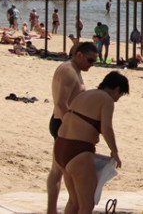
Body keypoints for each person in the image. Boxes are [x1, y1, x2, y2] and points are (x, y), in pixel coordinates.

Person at [54, 71, 128, 214]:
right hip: (78, 150)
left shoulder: (83, 95)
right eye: (120, 95)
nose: (117, 99)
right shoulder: (106, 99)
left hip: (60, 147)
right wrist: (115, 151)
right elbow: (106, 128)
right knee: (86, 205)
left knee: (74, 202)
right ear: (117, 89)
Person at [46, 41, 99, 214]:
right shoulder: (69, 71)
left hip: (61, 122)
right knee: (67, 174)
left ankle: (51, 210)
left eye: (95, 61)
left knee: (57, 170)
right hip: (63, 123)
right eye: (90, 60)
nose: (92, 65)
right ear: (79, 55)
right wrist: (72, 127)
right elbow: (61, 103)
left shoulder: (72, 69)